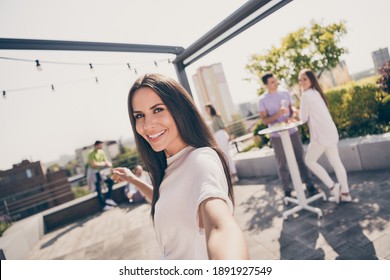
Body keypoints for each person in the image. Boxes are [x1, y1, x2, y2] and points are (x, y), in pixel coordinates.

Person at [111, 73, 249, 260]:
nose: (148, 124)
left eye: (158, 110)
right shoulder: (171, 166)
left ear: (180, 110)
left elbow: (221, 227)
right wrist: (132, 179)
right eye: (139, 115)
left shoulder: (199, 160)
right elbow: (168, 202)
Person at [257, 72, 317, 199]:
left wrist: (291, 116)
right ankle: (287, 191)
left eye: (275, 81)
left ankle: (310, 184)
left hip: (292, 131)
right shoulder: (262, 100)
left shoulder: (285, 93)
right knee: (282, 163)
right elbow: (265, 120)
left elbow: (291, 111)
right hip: (276, 135)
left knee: (301, 158)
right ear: (266, 85)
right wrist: (278, 115)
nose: (275, 83)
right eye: (272, 82)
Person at [298, 68, 352, 203]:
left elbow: (303, 118)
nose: (302, 82)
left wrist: (294, 112)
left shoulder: (306, 95)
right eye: (300, 80)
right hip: (330, 132)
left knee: (309, 161)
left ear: (311, 80)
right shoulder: (317, 93)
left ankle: (333, 187)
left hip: (320, 136)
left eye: (304, 79)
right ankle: (345, 193)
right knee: (336, 162)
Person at [205, 104, 239, 183]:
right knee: (223, 156)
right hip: (217, 137)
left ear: (211, 109)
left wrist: (229, 136)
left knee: (226, 154)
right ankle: (230, 175)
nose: (206, 111)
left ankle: (234, 174)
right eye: (206, 110)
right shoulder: (211, 119)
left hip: (221, 135)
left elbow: (224, 127)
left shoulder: (217, 117)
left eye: (207, 109)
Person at [86, 140, 118, 211]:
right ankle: (104, 206)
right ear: (96, 145)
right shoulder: (91, 153)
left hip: (101, 172)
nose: (101, 147)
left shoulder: (101, 152)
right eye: (100, 145)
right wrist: (103, 163)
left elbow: (105, 160)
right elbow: (93, 165)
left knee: (110, 182)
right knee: (99, 189)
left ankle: (108, 198)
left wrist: (108, 163)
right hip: (94, 174)